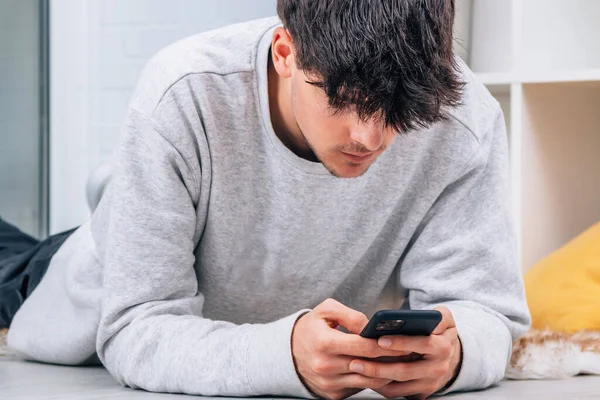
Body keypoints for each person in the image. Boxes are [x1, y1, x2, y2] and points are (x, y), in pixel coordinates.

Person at [2, 1, 531, 399]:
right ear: (285, 52)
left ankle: (125, 189)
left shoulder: (463, 118)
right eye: (344, 101)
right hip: (69, 283)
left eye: (396, 110)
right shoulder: (183, 91)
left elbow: (490, 312)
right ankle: (116, 201)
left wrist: (457, 354)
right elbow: (133, 328)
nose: (368, 138)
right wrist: (285, 358)